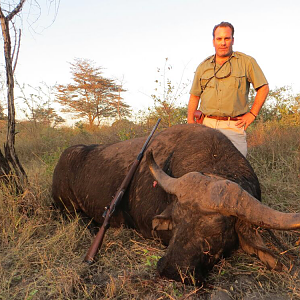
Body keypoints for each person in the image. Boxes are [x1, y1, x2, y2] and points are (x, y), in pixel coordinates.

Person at [187, 21, 269, 157]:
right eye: (219, 39)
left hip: (233, 127)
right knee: (202, 171)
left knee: (235, 173)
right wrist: (191, 125)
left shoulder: (246, 62)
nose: (223, 43)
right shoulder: (203, 66)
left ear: (233, 40)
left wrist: (252, 114)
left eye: (227, 38)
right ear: (213, 41)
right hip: (205, 126)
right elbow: (194, 96)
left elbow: (263, 88)